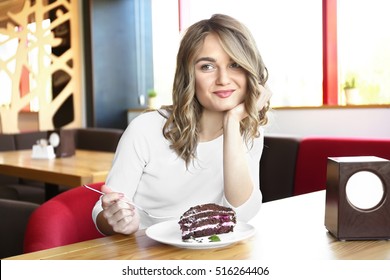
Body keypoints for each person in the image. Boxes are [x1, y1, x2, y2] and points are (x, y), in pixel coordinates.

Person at [92, 14, 271, 236]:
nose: (223, 79)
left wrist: (233, 123)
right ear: (189, 76)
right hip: (145, 254)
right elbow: (104, 210)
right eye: (207, 66)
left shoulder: (249, 131)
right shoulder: (145, 129)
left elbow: (243, 213)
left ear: (249, 70)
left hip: (210, 254)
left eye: (234, 64)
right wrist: (117, 220)